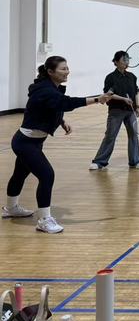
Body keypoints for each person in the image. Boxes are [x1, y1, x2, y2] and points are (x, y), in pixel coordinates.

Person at [3, 56, 116, 233]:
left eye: (67, 68)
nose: (67, 72)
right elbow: (66, 103)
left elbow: (51, 106)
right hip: (25, 143)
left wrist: (61, 121)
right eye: (63, 69)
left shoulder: (50, 88)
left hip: (31, 142)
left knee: (20, 174)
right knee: (47, 175)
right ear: (50, 72)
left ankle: (11, 208)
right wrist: (96, 99)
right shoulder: (45, 90)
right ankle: (44, 220)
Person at [90, 50, 139, 171]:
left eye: (127, 59)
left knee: (133, 135)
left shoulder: (132, 77)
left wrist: (138, 106)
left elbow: (135, 92)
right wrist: (123, 99)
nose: (126, 62)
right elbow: (109, 94)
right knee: (110, 136)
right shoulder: (111, 77)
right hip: (116, 111)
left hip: (130, 111)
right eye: (124, 59)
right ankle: (99, 162)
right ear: (115, 62)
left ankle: (136, 161)